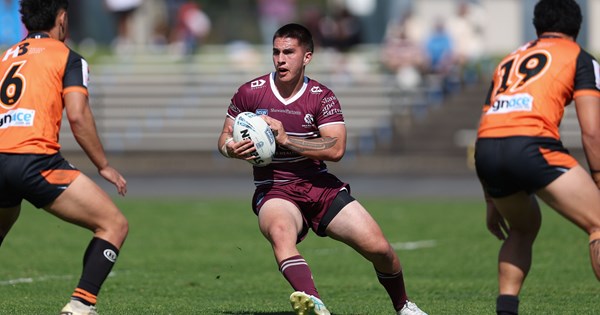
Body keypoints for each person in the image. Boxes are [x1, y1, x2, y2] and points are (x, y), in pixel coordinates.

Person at [218, 23, 427, 315]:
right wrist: (230, 148)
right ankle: (315, 304)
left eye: (289, 52)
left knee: (380, 249)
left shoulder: (321, 96)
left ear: (307, 57)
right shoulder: (250, 93)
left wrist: (286, 139)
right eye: (276, 52)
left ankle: (404, 305)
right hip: (275, 187)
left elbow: (336, 148)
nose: (280, 59)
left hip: (319, 186)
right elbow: (225, 136)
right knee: (280, 232)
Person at [0, 1, 129, 314]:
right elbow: (78, 116)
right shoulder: (67, 56)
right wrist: (104, 165)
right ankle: (80, 305)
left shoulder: (4, 58)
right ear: (61, 17)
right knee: (113, 224)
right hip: (35, 160)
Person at [474, 1, 600, 314]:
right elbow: (592, 132)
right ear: (578, 28)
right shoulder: (579, 57)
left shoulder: (509, 60)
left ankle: (506, 310)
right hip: (531, 144)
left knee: (523, 226)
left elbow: (487, 122)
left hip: (487, 150)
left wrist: (491, 200)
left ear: (536, 27)